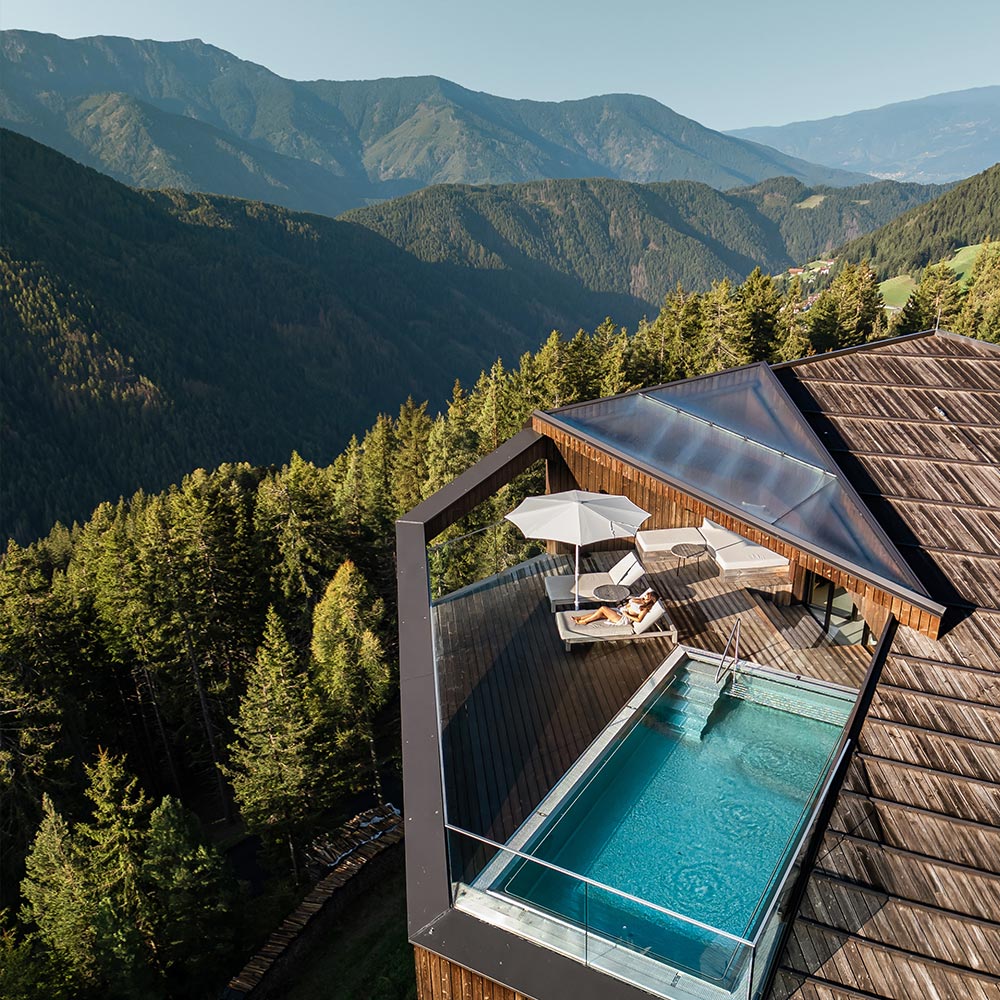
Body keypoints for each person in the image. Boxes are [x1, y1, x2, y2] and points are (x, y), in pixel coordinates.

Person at [572, 588, 658, 626]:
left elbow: (639, 620)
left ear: (650, 599)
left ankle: (585, 621)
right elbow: (629, 603)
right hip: (620, 611)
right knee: (600, 613)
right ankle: (580, 618)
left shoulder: (644, 609)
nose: (646, 595)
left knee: (603, 608)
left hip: (623, 618)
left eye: (648, 595)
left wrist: (626, 614)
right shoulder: (641, 599)